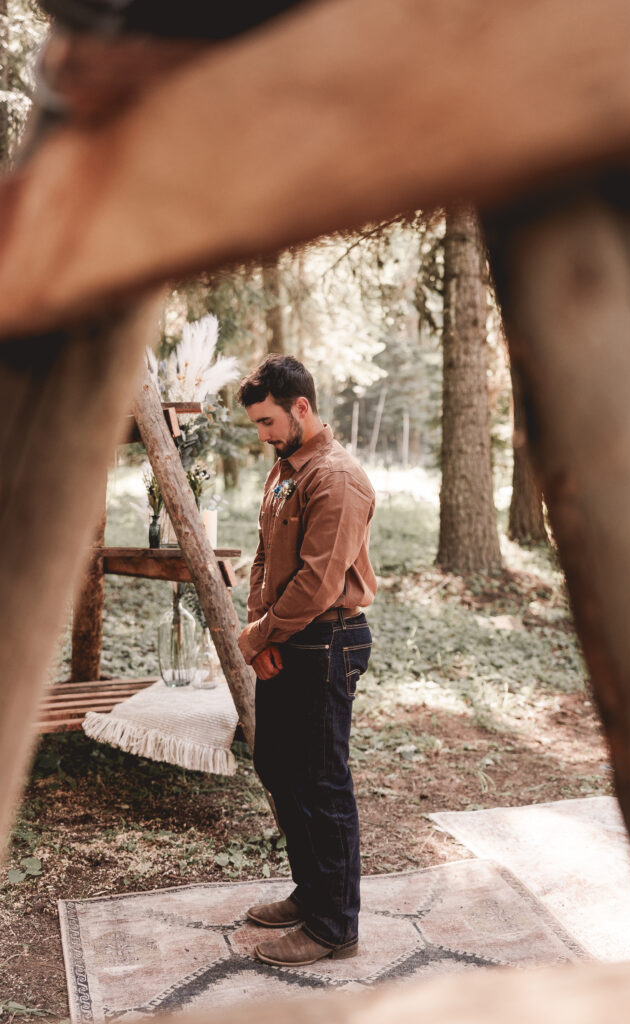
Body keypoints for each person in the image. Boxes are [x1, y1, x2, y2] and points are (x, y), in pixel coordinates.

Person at [236, 354, 377, 968]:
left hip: (328, 643)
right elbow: (266, 557)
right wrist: (263, 636)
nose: (262, 435)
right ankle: (311, 890)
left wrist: (258, 637)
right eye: (257, 425)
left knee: (322, 781)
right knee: (277, 765)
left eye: (268, 422)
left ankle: (334, 926)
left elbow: (320, 584)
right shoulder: (283, 470)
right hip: (289, 641)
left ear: (301, 407)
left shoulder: (337, 477)